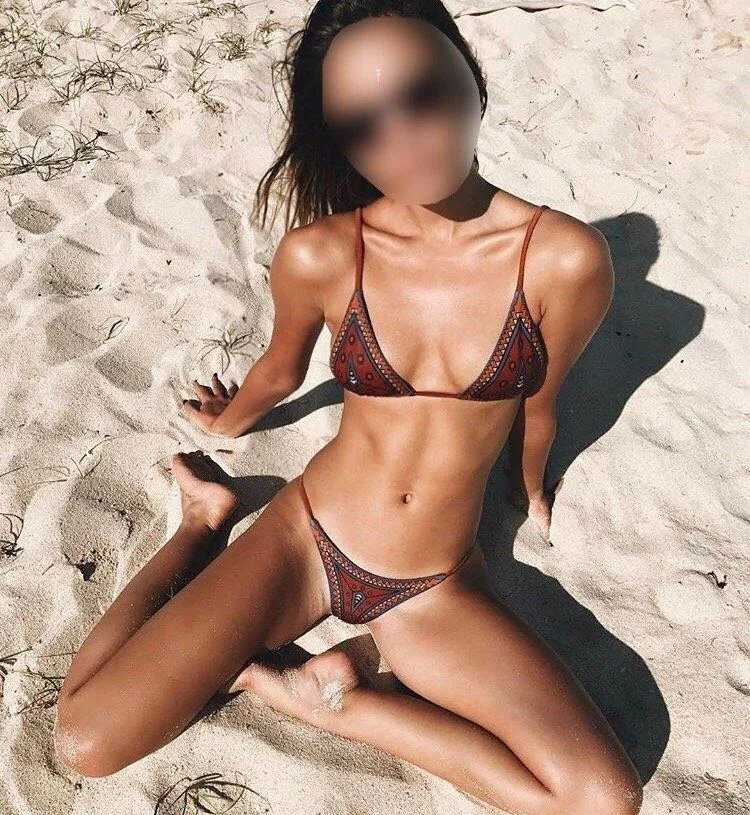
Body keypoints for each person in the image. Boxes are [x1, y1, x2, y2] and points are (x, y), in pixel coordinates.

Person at [54, 3, 643, 813]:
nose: (401, 137)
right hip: (306, 537)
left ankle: (340, 700)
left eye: (422, 94)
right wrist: (227, 421)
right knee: (87, 741)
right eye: (364, 125)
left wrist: (533, 478)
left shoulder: (565, 258)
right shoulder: (324, 253)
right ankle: (203, 521)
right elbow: (277, 372)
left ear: (472, 80)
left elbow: (541, 400)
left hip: (430, 584)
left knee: (603, 800)